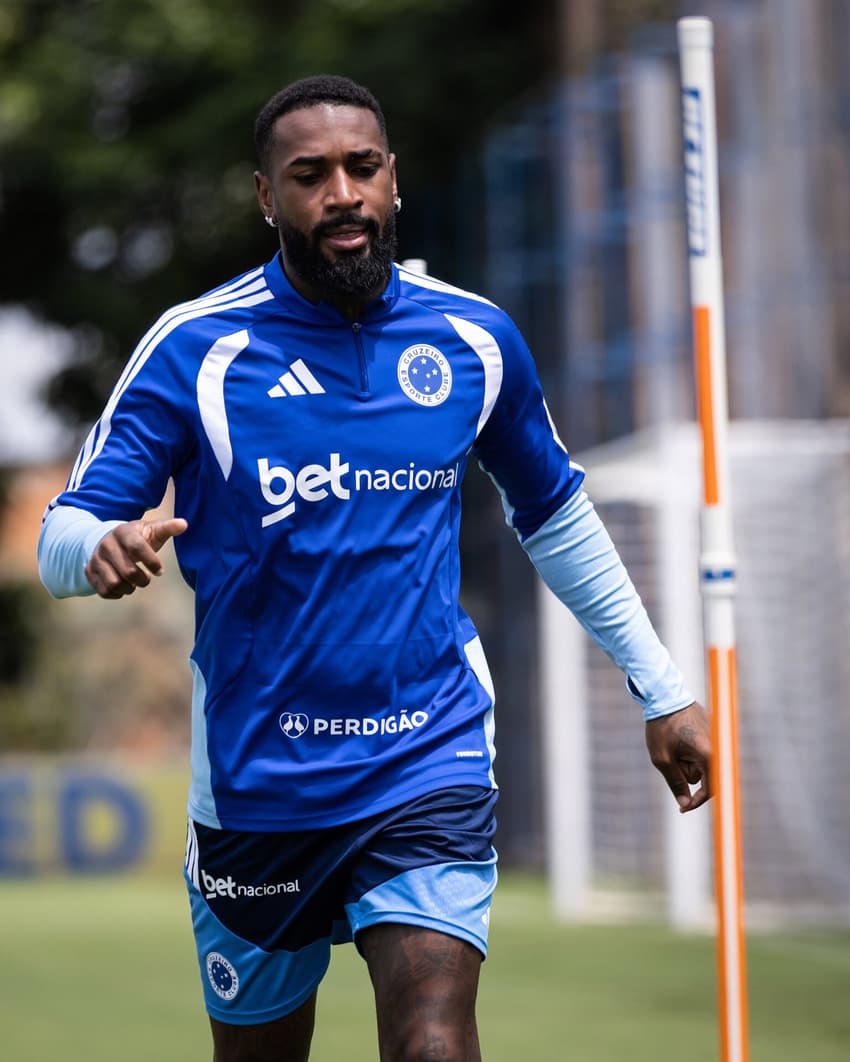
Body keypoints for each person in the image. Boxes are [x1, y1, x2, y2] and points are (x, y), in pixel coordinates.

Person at [38, 74, 711, 1062]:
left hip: (423, 757)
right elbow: (65, 527)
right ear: (268, 197)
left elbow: (556, 516)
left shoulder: (472, 339)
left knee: (434, 1042)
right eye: (309, 176)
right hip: (259, 783)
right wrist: (97, 549)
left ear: (394, 180)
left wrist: (660, 687)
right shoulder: (196, 350)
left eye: (362, 168)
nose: (341, 194)